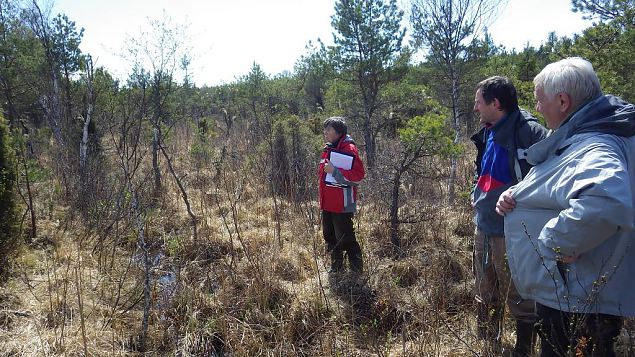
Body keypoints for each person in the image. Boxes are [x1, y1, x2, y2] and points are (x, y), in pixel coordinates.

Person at [496, 57, 635, 356]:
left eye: (540, 100)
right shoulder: (593, 135)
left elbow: (606, 201)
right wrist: (517, 195)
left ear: (562, 101)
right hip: (579, 291)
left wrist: (555, 242)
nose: (537, 109)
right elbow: (564, 187)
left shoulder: (595, 144)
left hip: (577, 296)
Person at [471, 76, 548, 355]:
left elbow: (550, 178)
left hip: (512, 230)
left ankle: (523, 348)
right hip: (483, 225)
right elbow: (482, 171)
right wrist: (475, 193)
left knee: (519, 291)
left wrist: (519, 197)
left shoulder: (531, 133)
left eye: (479, 102)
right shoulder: (488, 130)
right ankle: (487, 342)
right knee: (484, 286)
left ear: (496, 103)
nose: (475, 108)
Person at [318, 117, 366, 274]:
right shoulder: (328, 148)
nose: (325, 133)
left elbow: (358, 176)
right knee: (330, 236)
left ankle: (357, 272)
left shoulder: (349, 149)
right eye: (325, 129)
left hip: (342, 204)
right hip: (327, 203)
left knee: (346, 238)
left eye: (329, 129)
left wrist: (335, 172)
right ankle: (336, 268)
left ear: (339, 132)